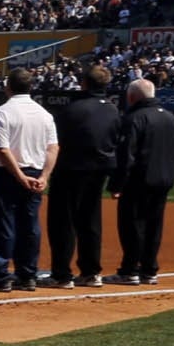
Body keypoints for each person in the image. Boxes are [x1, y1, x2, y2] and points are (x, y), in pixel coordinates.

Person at [48, 65, 121, 287]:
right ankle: (91, 272)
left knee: (63, 222)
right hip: (99, 171)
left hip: (70, 169)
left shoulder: (73, 109)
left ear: (84, 83)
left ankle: (62, 274)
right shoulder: (113, 110)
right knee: (91, 221)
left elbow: (57, 141)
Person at [0, 75, 57, 292]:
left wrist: (19, 176)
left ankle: (0, 274)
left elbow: (2, 149)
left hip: (8, 173)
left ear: (8, 87)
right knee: (29, 225)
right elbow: (53, 148)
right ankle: (27, 274)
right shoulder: (44, 114)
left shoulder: (2, 112)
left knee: (1, 224)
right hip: (35, 173)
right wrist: (44, 176)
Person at [110, 78, 174, 285]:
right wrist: (173, 176)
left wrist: (117, 184)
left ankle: (130, 270)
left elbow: (126, 155)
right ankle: (149, 270)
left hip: (138, 180)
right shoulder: (170, 118)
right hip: (164, 180)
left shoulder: (134, 118)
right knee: (154, 225)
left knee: (132, 224)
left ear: (132, 97)